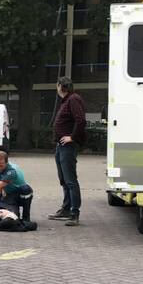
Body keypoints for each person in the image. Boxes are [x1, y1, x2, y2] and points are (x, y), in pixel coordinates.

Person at [49, 76, 86, 226]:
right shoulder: (67, 100)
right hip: (61, 146)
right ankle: (66, 209)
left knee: (70, 180)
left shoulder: (73, 99)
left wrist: (72, 137)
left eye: (57, 85)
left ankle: (74, 213)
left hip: (68, 146)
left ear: (60, 86)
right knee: (64, 179)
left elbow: (80, 120)